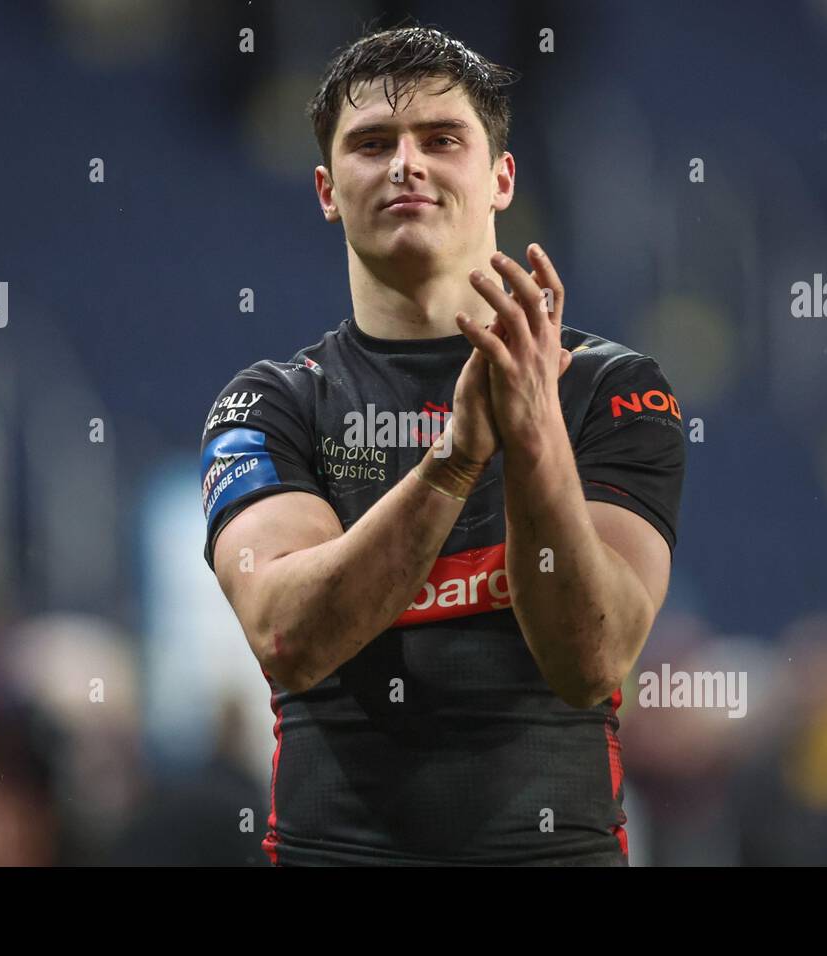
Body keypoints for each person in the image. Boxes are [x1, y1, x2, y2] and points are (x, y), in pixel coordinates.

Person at [199, 25, 685, 865]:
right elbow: (287, 638)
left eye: (441, 138)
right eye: (372, 143)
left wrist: (532, 435)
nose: (405, 163)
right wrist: (453, 464)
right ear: (326, 188)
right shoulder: (270, 402)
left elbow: (592, 657)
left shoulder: (613, 389)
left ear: (501, 177)